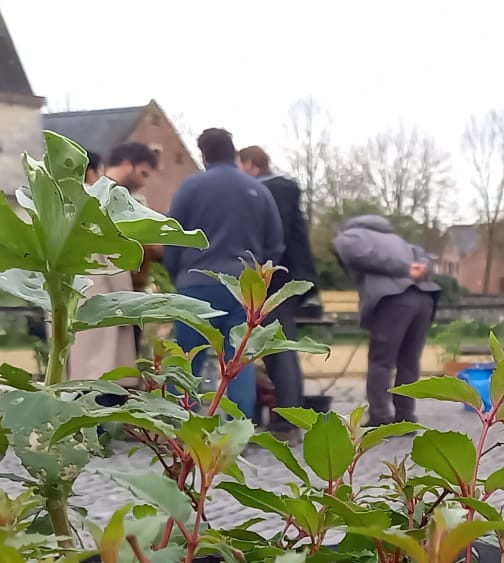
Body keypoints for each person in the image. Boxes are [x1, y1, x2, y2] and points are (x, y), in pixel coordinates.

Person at [161, 128, 282, 418]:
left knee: (188, 358)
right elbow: (275, 244)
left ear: (203, 154)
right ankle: (238, 429)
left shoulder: (190, 188)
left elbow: (171, 236)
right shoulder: (258, 191)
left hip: (196, 284)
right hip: (243, 287)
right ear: (233, 151)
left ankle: (181, 425)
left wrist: (178, 272)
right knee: (239, 360)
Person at [237, 144, 319, 430]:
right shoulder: (282, 190)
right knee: (281, 348)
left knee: (277, 348)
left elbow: (275, 236)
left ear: (250, 164)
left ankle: (287, 419)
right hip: (288, 276)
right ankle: (290, 413)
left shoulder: (271, 191)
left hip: (275, 279)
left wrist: (262, 271)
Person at [333, 215, 438, 426]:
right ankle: (406, 417)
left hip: (393, 301)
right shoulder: (398, 240)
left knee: (381, 362)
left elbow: (355, 254)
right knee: (409, 362)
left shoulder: (351, 236)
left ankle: (380, 418)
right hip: (424, 299)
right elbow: (425, 261)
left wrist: (403, 269)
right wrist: (418, 268)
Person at [69, 141, 160, 381]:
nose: (144, 181)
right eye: (142, 173)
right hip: (109, 298)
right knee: (106, 377)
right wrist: (130, 303)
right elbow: (114, 258)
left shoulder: (78, 201)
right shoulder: (104, 199)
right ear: (128, 165)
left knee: (89, 373)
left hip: (90, 297)